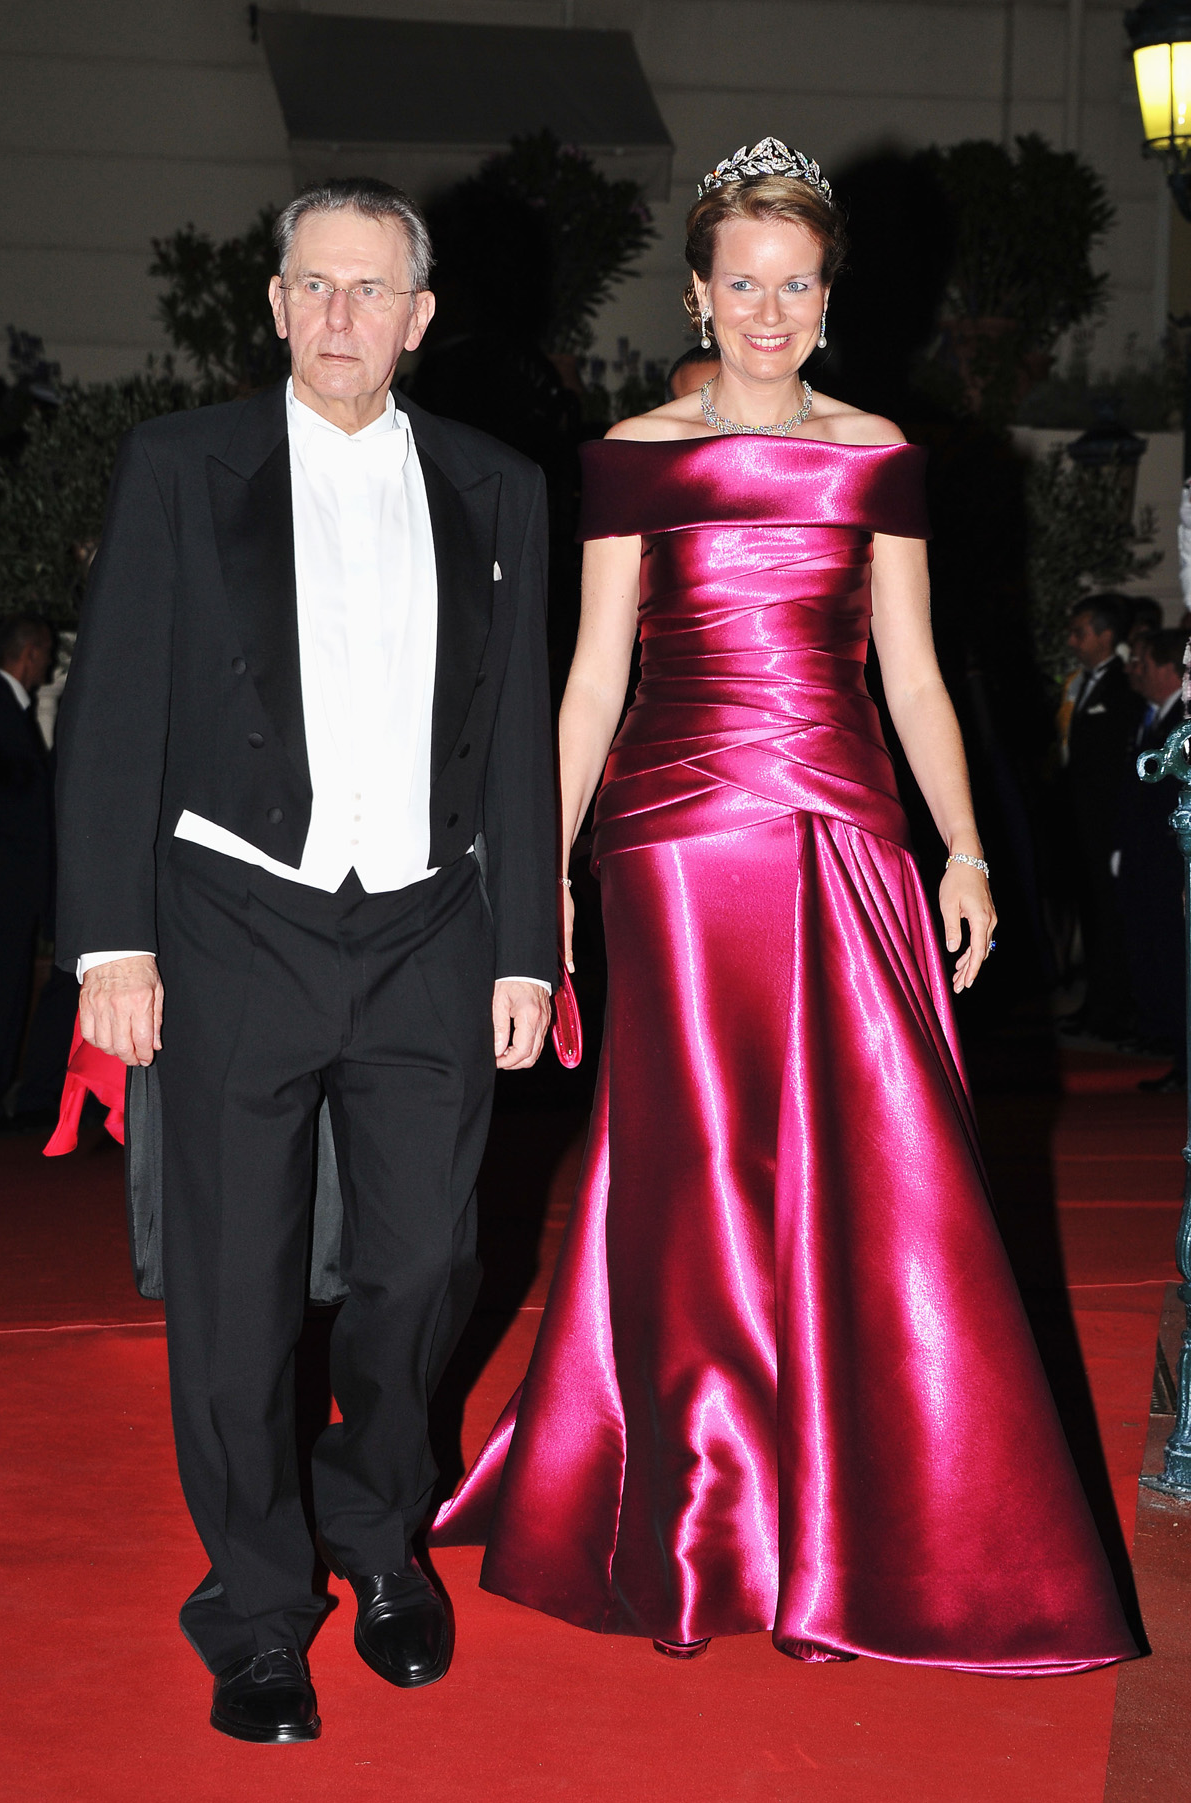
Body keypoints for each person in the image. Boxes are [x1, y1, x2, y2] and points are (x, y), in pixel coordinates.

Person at [433, 139, 1135, 1676]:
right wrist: (540, 873)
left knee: (867, 1162)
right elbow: (593, 679)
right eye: (741, 283)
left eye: (795, 284)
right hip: (676, 844)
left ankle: (847, 1516)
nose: (767, 311)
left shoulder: (879, 454)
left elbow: (917, 673)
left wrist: (964, 847)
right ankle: (695, 1519)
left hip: (844, 829)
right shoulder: (632, 453)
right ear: (699, 290)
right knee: (691, 1165)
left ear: (829, 297)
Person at [56, 177, 557, 1742]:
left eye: (371, 288)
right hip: (232, 922)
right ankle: (258, 1605)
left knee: (425, 1265)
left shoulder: (497, 486)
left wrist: (528, 950)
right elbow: (114, 707)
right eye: (314, 285)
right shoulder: (181, 465)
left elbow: (518, 737)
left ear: (419, 317)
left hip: (429, 928)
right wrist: (111, 940)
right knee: (235, 1287)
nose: (341, 314)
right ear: (276, 305)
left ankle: (377, 1531)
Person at [1062, 595, 1145, 1039]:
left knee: (1111, 918)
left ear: (1106, 635)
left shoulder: (1123, 684)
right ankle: (1097, 1004)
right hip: (1082, 825)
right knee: (1092, 915)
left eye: (1080, 632)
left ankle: (1114, 1009)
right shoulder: (1083, 683)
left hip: (1107, 827)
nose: (1072, 641)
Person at [0, 613, 55, 1120]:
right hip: (5, 886)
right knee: (2, 993)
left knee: (9, 992)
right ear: (30, 653)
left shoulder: (11, 708)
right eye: (47, 653)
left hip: (13, 887)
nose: (50, 665)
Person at [1115, 627, 1186, 1078]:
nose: (1135, 671)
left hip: (1172, 863)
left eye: (1144, 662)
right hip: (1151, 861)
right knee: (1162, 957)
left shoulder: (1180, 724)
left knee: (1178, 963)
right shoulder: (1154, 718)